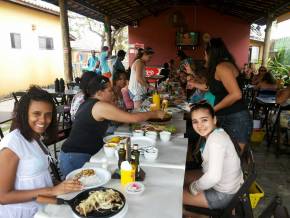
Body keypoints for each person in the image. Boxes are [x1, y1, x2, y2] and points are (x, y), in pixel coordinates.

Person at [0, 86, 82, 218]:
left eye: (48, 114)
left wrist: (62, 187)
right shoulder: (12, 145)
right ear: (24, 113)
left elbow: (38, 179)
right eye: (36, 114)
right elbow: (3, 197)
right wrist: (52, 191)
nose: (43, 120)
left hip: (43, 209)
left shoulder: (36, 138)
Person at [59, 75, 165, 177]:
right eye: (109, 91)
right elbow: (132, 118)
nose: (113, 93)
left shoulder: (90, 102)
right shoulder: (99, 106)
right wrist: (154, 114)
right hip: (75, 156)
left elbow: (121, 117)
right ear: (99, 93)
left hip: (80, 153)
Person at [183, 102, 243, 215]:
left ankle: (191, 214)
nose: (199, 125)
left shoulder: (216, 140)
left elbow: (213, 177)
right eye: (195, 121)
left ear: (214, 120)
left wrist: (194, 187)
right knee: (181, 177)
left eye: (204, 120)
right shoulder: (214, 134)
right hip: (227, 184)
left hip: (224, 195)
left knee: (174, 195)